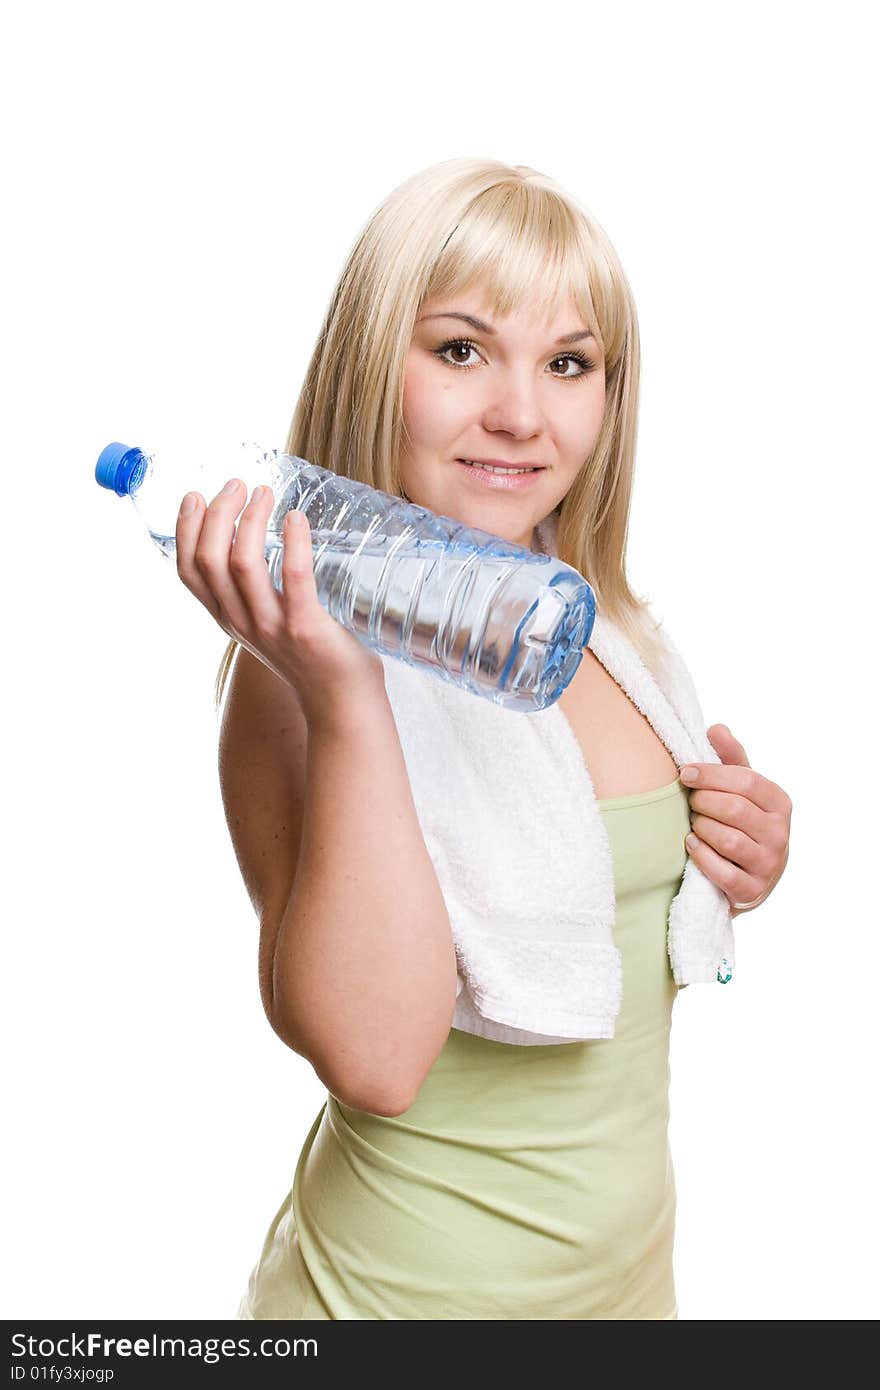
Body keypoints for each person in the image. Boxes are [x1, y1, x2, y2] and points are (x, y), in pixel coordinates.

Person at [174, 156, 793, 1320]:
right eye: (460, 349)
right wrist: (349, 696)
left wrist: (739, 850)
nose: (521, 411)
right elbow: (378, 1058)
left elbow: (605, 912)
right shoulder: (294, 679)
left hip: (623, 1291)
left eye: (568, 363)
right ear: (372, 364)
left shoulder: (603, 628)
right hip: (395, 1304)